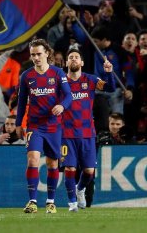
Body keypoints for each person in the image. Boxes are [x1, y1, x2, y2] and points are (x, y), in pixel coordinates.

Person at [15, 39, 72, 214]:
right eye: (33, 55)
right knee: (32, 158)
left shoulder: (57, 73)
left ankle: (50, 202)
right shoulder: (26, 76)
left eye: (39, 54)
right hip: (34, 125)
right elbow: (21, 101)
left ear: (47, 53)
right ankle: (32, 201)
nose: (36, 58)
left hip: (54, 126)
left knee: (52, 163)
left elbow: (68, 95)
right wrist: (18, 124)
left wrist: (62, 105)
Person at [61, 47, 115, 212]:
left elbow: (110, 88)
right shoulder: (60, 82)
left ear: (82, 62)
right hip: (66, 134)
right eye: (71, 57)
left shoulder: (90, 80)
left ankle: (80, 190)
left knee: (89, 171)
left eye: (77, 57)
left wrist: (109, 73)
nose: (74, 59)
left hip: (87, 133)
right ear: (66, 62)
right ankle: (72, 203)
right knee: (69, 168)